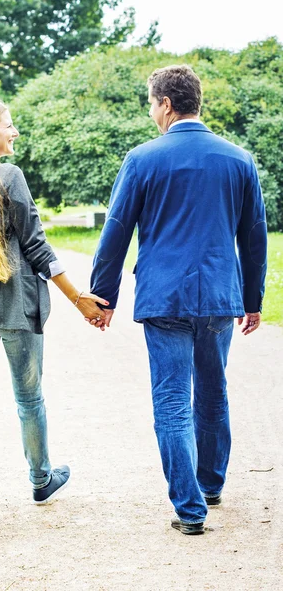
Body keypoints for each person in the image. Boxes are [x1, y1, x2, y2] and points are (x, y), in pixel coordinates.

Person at [89, 65, 267, 535]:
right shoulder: (239, 159)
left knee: (171, 399)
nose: (151, 112)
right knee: (213, 391)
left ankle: (190, 510)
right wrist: (253, 300)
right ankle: (210, 484)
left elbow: (116, 231)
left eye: (151, 103)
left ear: (166, 103)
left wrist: (103, 296)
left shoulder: (143, 159)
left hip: (163, 299)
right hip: (218, 298)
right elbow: (254, 238)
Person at [0, 97, 108, 533]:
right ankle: (41, 479)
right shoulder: (8, 176)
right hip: (13, 305)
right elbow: (36, 246)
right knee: (28, 398)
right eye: (8, 126)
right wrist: (78, 298)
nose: (14, 132)